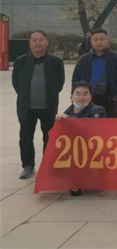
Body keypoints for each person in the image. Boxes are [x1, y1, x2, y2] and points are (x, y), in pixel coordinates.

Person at [13, 31, 65, 179]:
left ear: (47, 42)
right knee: (25, 137)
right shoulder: (20, 61)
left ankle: (48, 165)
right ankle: (28, 165)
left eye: (41, 39)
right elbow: (16, 83)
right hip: (26, 107)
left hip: (48, 107)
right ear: (29, 43)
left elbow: (59, 84)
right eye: (34, 40)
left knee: (49, 137)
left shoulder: (56, 62)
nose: (37, 43)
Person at [55, 80, 106, 196]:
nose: (81, 97)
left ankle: (81, 180)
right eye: (78, 94)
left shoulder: (98, 110)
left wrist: (69, 119)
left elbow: (91, 127)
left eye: (85, 94)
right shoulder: (67, 112)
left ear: (91, 96)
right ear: (71, 96)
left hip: (92, 148)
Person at [72, 28, 117, 118]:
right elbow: (76, 79)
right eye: (95, 40)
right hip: (87, 100)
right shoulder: (84, 59)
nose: (99, 42)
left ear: (108, 40)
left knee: (110, 126)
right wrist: (75, 96)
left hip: (109, 100)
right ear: (91, 41)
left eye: (102, 39)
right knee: (86, 126)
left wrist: (116, 94)